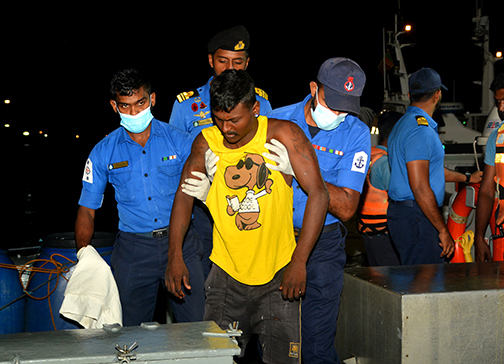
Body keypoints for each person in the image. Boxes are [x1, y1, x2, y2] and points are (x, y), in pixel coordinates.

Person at [166, 69, 329, 363]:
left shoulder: (284, 134)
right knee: (216, 358)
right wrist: (174, 255)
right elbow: (184, 195)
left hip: (279, 273)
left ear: (254, 108)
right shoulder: (206, 141)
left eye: (234, 120)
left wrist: (299, 262)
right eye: (219, 119)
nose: (226, 128)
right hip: (226, 275)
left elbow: (319, 193)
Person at [75, 68, 205, 327]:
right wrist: (83, 255)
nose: (134, 113)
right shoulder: (103, 152)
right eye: (126, 106)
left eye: (140, 103)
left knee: (197, 329)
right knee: (129, 336)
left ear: (153, 99)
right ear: (114, 106)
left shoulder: (181, 141)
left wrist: (176, 254)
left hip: (182, 244)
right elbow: (87, 210)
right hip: (134, 250)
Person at [266, 57, 371, 364]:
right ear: (314, 88)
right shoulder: (276, 120)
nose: (337, 114)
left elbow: (348, 206)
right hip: (274, 240)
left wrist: (301, 172)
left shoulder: (356, 132)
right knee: (275, 341)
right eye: (332, 103)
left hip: (324, 247)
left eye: (345, 107)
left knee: (317, 342)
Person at [169, 25, 272, 279]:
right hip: (200, 211)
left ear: (247, 63)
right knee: (202, 281)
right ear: (210, 61)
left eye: (237, 62)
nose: (230, 69)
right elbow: (176, 163)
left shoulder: (261, 102)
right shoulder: (186, 105)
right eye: (222, 61)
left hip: (247, 205)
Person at [387, 67, 483, 265]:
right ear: (437, 95)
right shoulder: (420, 131)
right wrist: (442, 229)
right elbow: (420, 186)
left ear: (409, 95)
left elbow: (431, 172)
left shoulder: (403, 124)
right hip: (417, 217)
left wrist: (467, 178)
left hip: (407, 214)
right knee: (426, 287)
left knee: (414, 281)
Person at [357, 111, 402, 266]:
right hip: (384, 232)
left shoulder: (369, 155)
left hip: (367, 230)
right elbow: (399, 197)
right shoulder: (386, 163)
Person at [474, 72, 504, 261]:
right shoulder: (496, 138)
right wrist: (479, 237)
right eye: (498, 102)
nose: (501, 108)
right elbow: (486, 191)